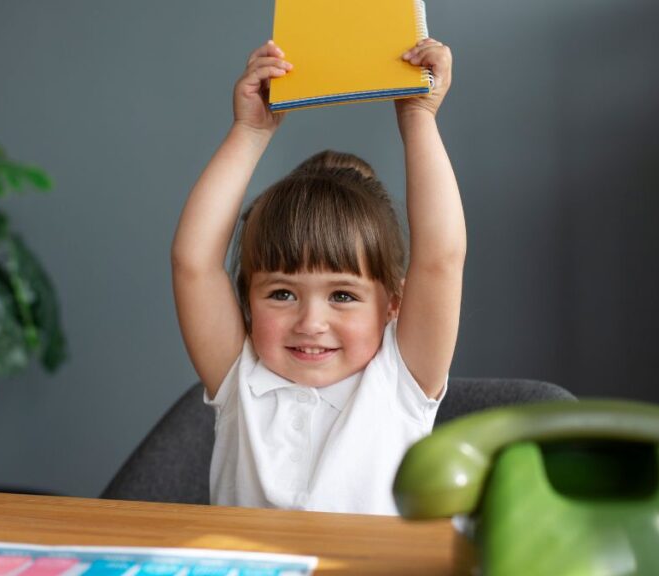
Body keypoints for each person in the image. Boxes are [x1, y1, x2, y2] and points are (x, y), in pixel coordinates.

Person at [171, 38, 465, 515]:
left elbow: (441, 259)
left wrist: (418, 118)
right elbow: (194, 263)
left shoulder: (402, 381)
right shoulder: (238, 378)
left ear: (393, 303)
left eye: (343, 296)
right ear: (247, 298)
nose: (311, 321)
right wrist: (249, 131)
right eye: (283, 293)